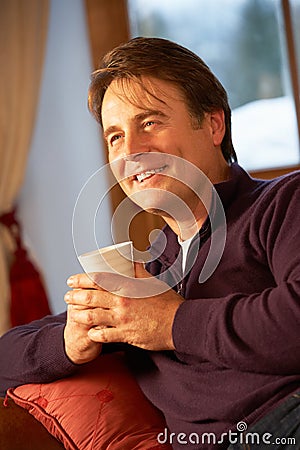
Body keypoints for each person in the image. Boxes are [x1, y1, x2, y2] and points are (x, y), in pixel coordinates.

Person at [0, 37, 299, 449]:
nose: (132, 152)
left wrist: (170, 325)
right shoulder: (147, 268)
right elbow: (6, 357)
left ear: (213, 125)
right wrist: (71, 339)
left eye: (150, 123)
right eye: (115, 137)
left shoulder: (283, 204)